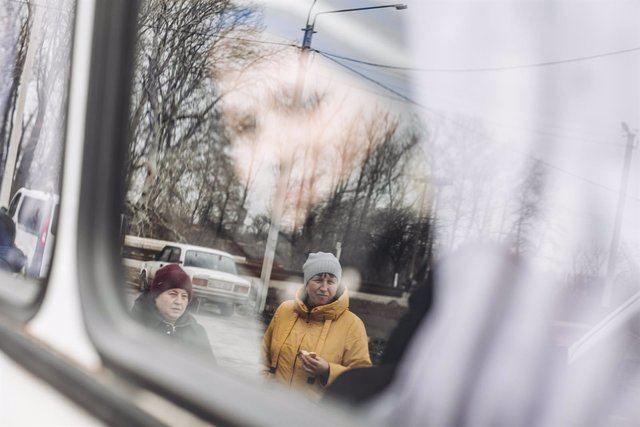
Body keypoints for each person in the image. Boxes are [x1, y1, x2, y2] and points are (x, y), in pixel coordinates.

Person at [262, 252, 371, 400]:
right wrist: (262, 387)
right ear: (306, 283)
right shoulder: (285, 310)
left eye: (331, 282)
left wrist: (328, 370)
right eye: (318, 280)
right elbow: (263, 356)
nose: (324, 288)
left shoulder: (353, 325)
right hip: (271, 405)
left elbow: (361, 379)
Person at [131, 264, 215, 362]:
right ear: (155, 296)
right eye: (172, 294)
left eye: (184, 296)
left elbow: (209, 369)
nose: (179, 302)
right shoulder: (134, 325)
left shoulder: (197, 331)